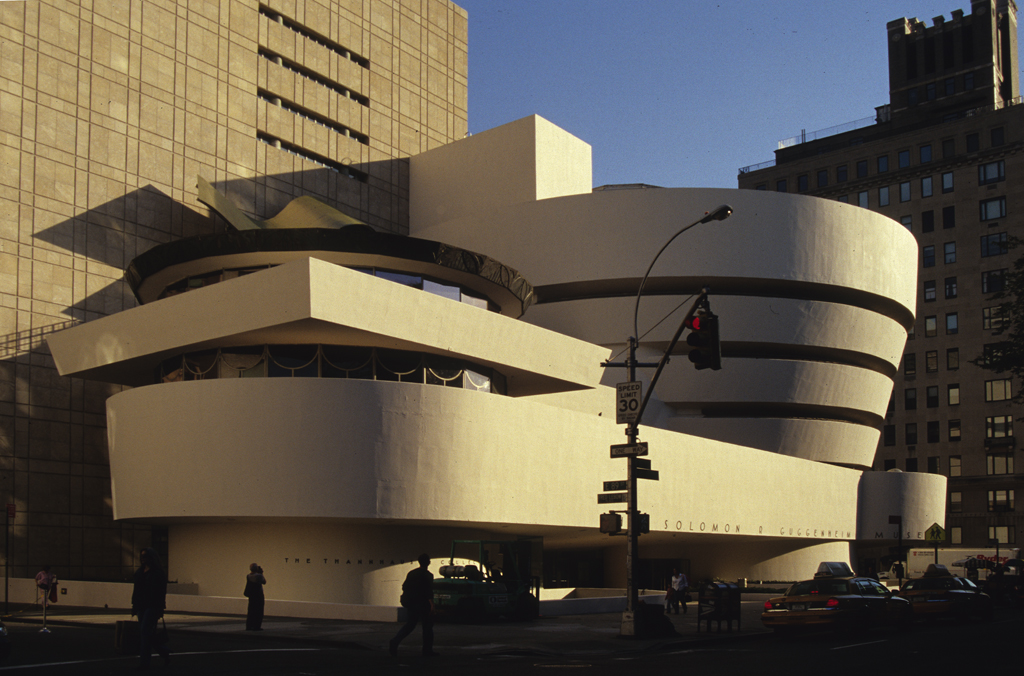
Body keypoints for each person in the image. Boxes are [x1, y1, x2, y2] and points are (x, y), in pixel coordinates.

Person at [389, 554, 437, 657]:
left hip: (412, 603)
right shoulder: (428, 575)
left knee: (410, 625)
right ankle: (427, 650)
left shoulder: (412, 573)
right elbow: (429, 592)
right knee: (427, 627)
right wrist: (432, 605)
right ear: (428, 562)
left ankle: (395, 641)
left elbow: (404, 586)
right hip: (423, 604)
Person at [131, 548, 170, 669]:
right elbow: (136, 590)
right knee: (147, 634)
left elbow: (161, 592)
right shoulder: (139, 572)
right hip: (141, 606)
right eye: (142, 556)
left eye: (146, 556)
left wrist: (160, 608)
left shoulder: (157, 573)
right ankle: (164, 652)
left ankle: (144, 663)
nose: (143, 558)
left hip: (152, 606)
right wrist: (134, 606)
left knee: (145, 632)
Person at [244, 563, 267, 631]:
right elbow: (264, 582)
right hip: (258, 595)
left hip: (252, 595)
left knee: (251, 611)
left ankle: (249, 626)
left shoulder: (248, 576)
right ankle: (257, 626)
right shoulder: (259, 576)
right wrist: (261, 573)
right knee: (259, 611)